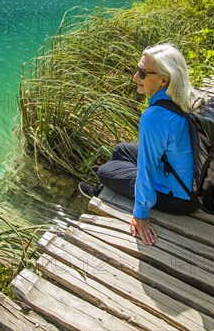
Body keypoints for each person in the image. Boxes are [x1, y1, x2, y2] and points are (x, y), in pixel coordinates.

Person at [79, 43, 201, 245]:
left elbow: (147, 167)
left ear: (164, 80)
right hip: (191, 183)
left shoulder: (154, 117)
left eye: (142, 73)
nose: (135, 77)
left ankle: (102, 191)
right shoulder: (187, 96)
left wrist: (141, 214)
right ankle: (105, 187)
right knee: (121, 149)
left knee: (105, 170)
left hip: (180, 199)